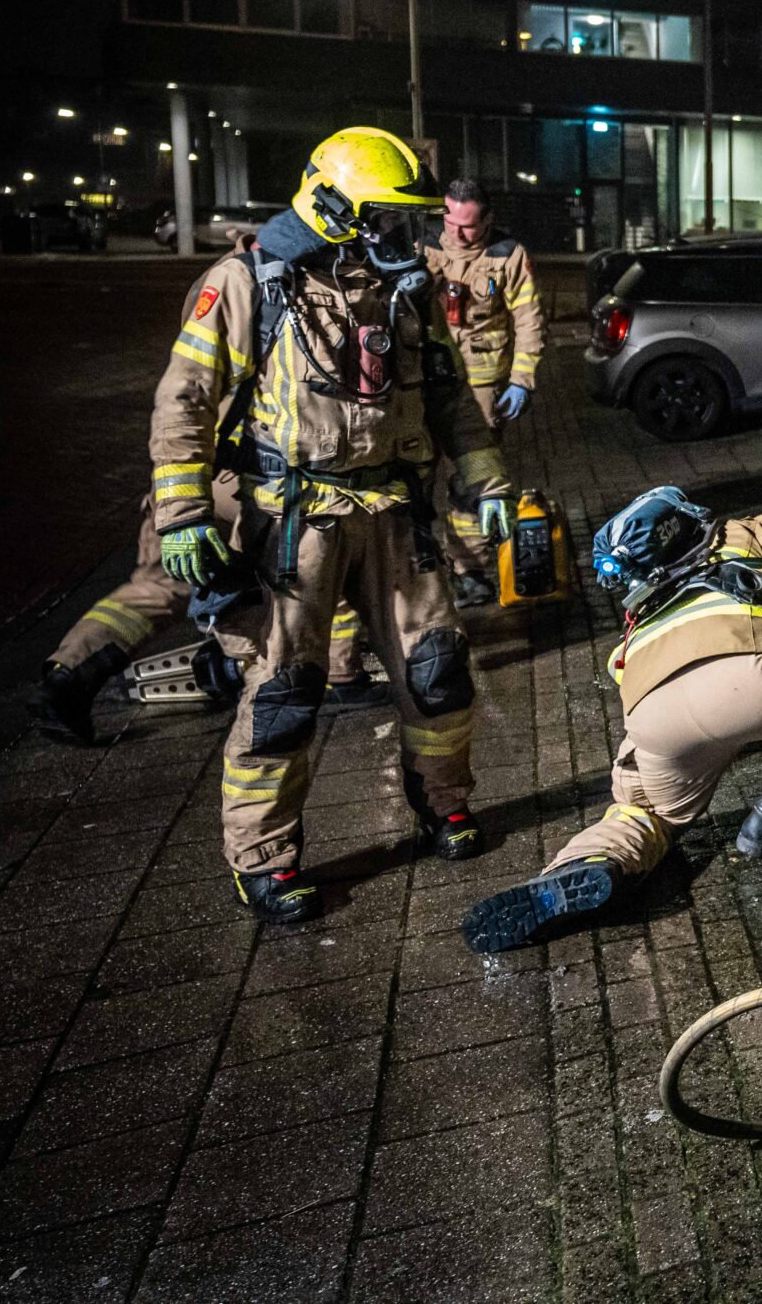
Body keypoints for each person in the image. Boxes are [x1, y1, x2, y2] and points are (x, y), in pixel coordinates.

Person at [153, 126, 512, 924]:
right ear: (333, 206)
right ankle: (263, 858)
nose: (401, 231)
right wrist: (181, 510)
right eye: (383, 214)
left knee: (438, 670)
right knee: (284, 691)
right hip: (294, 522)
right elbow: (184, 399)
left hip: (395, 514)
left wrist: (487, 478)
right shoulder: (247, 282)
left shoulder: (403, 286)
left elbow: (449, 393)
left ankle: (443, 802)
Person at [459, 484, 762, 953]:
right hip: (757, 677)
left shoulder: (644, 608)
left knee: (646, 812)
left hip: (653, 717)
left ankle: (586, 864)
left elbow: (626, 672)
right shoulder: (736, 536)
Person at [33, 255, 377, 743]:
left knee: (155, 587)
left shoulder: (220, 296)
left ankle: (66, 676)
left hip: (184, 484)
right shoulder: (280, 301)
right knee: (320, 572)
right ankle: (329, 676)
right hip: (245, 483)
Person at [424, 178, 545, 606]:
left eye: (469, 226)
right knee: (415, 480)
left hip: (479, 387)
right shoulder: (423, 247)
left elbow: (529, 321)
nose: (456, 233)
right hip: (423, 380)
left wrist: (520, 380)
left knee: (473, 484)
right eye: (449, 221)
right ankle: (417, 571)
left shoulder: (507, 255)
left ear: (488, 220)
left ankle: (469, 571)